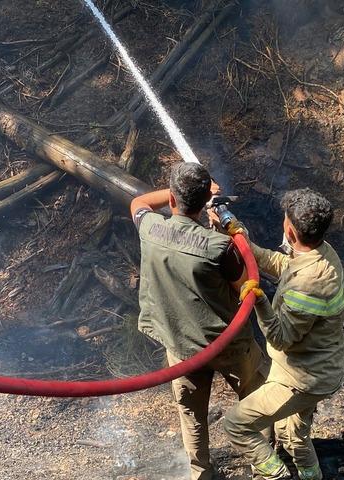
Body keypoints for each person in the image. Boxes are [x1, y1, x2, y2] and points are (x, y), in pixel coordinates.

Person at [129, 162, 268, 480]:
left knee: (191, 413)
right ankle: (264, 466)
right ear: (205, 200)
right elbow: (246, 285)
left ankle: (200, 474)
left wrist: (183, 192)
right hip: (228, 344)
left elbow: (139, 202)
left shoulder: (149, 227)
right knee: (256, 400)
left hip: (180, 345)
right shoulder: (219, 246)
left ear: (174, 200)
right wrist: (220, 222)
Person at [222, 188, 344, 480]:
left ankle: (275, 475)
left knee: (236, 424)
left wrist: (261, 301)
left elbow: (280, 337)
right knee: (291, 435)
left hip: (303, 380)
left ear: (289, 231)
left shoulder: (310, 284)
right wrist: (243, 241)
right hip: (312, 366)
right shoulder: (321, 253)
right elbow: (283, 265)